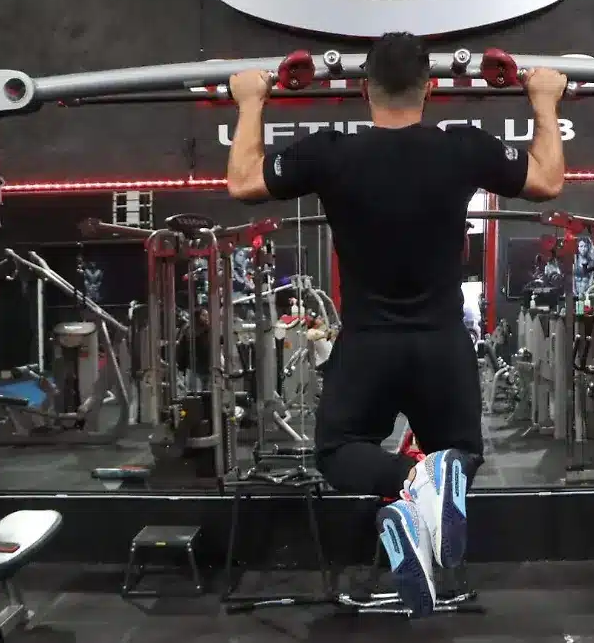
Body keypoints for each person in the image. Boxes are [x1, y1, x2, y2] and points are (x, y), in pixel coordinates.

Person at [225, 32, 567, 617]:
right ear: (429, 87)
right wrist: (543, 98)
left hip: (369, 344)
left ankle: (411, 488)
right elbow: (547, 180)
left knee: (338, 454)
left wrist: (252, 100)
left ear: (365, 89)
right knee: (459, 455)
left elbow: (243, 182)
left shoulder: (331, 153)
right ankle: (424, 488)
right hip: (441, 345)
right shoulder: (463, 148)